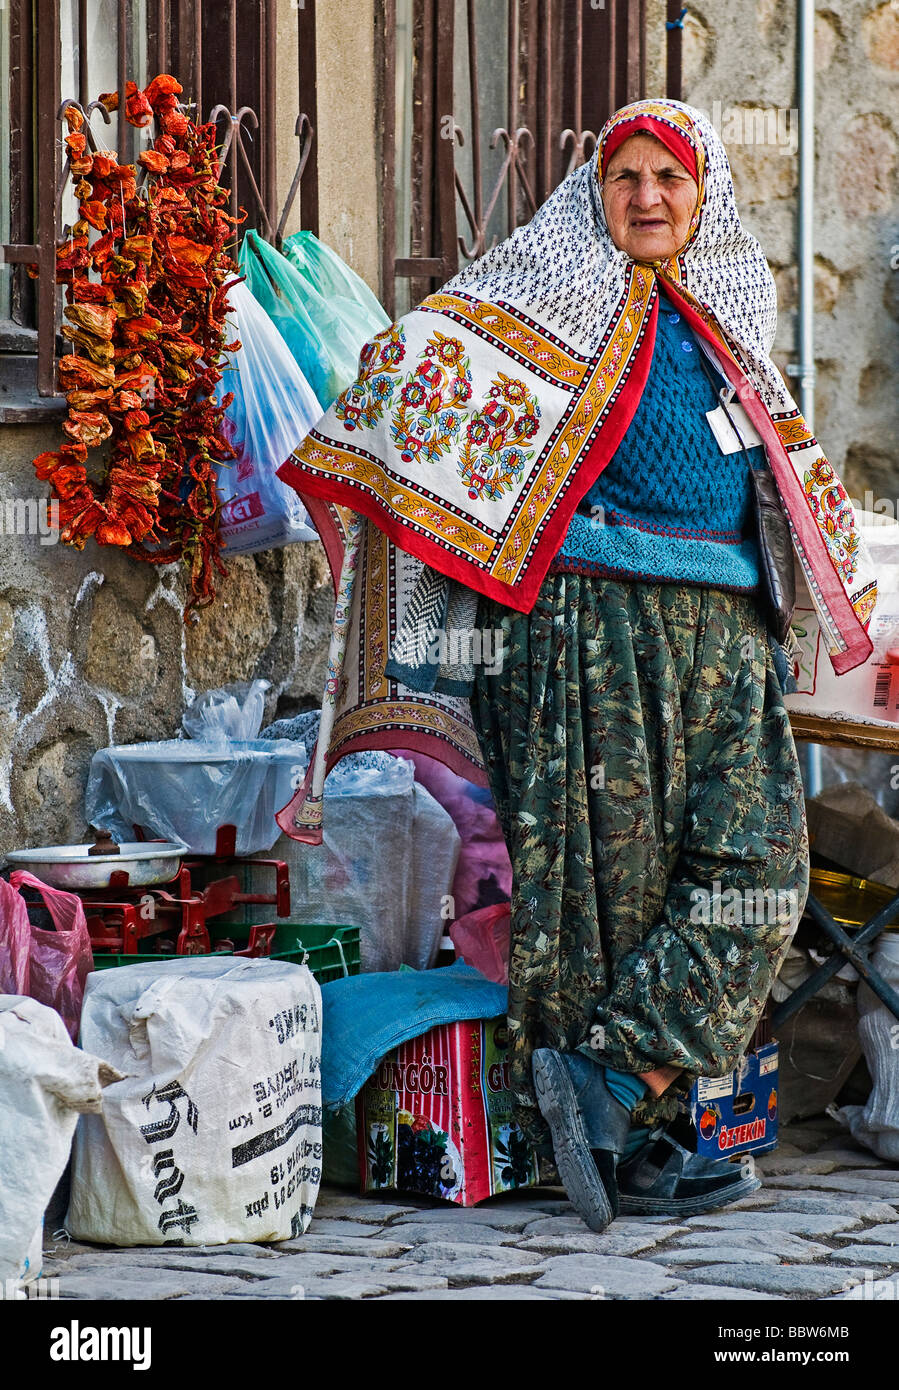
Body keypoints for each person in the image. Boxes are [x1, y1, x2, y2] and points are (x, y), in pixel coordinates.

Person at [277, 99, 877, 1232]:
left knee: (757, 868)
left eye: (668, 177)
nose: (646, 197)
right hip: (581, 633)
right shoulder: (537, 299)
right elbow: (411, 364)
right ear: (594, 194)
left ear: (706, 197)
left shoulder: (725, 319)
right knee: (600, 893)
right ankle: (632, 1152)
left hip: (722, 638)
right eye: (624, 177)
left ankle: (608, 1084)